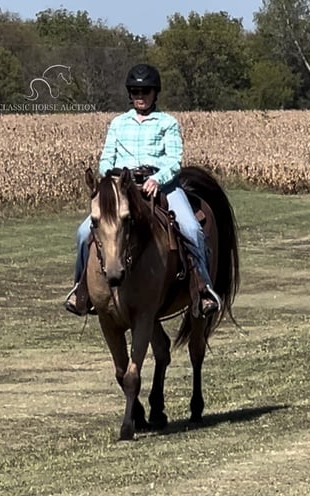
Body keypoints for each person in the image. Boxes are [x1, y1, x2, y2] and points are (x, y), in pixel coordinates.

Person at [64, 63, 222, 317]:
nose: (140, 95)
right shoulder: (118, 124)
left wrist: (157, 179)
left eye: (145, 91)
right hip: (122, 188)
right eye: (136, 91)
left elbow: (174, 161)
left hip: (161, 186)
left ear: (155, 93)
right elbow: (106, 159)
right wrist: (112, 176)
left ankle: (202, 289)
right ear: (130, 93)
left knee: (192, 229)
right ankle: (81, 290)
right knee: (84, 233)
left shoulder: (167, 123)